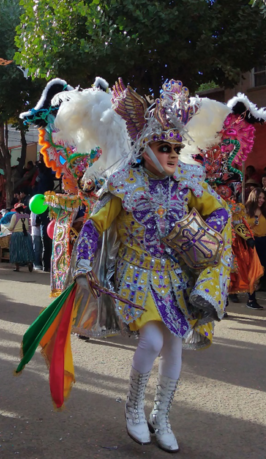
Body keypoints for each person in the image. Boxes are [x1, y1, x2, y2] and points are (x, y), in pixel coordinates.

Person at [17, 79, 233, 454]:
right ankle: (134, 408)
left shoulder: (188, 181)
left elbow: (222, 214)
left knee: (175, 348)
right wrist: (83, 265)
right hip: (137, 275)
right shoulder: (123, 183)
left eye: (177, 147)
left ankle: (162, 415)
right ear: (145, 146)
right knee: (151, 340)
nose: (171, 154)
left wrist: (202, 237)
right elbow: (96, 225)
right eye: (164, 147)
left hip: (175, 278)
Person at [245, 188, 266, 310]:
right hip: (253, 242)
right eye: (260, 197)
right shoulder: (247, 210)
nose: (262, 200)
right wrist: (255, 221)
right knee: (254, 271)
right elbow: (242, 227)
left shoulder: (264, 210)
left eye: (263, 198)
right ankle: (251, 299)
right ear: (254, 197)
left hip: (264, 241)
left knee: (262, 270)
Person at [8, 203, 34, 272]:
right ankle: (29, 262)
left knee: (16, 251)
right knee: (27, 250)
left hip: (16, 235)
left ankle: (17, 267)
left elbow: (10, 227)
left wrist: (8, 228)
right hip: (26, 234)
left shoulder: (14, 216)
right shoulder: (27, 216)